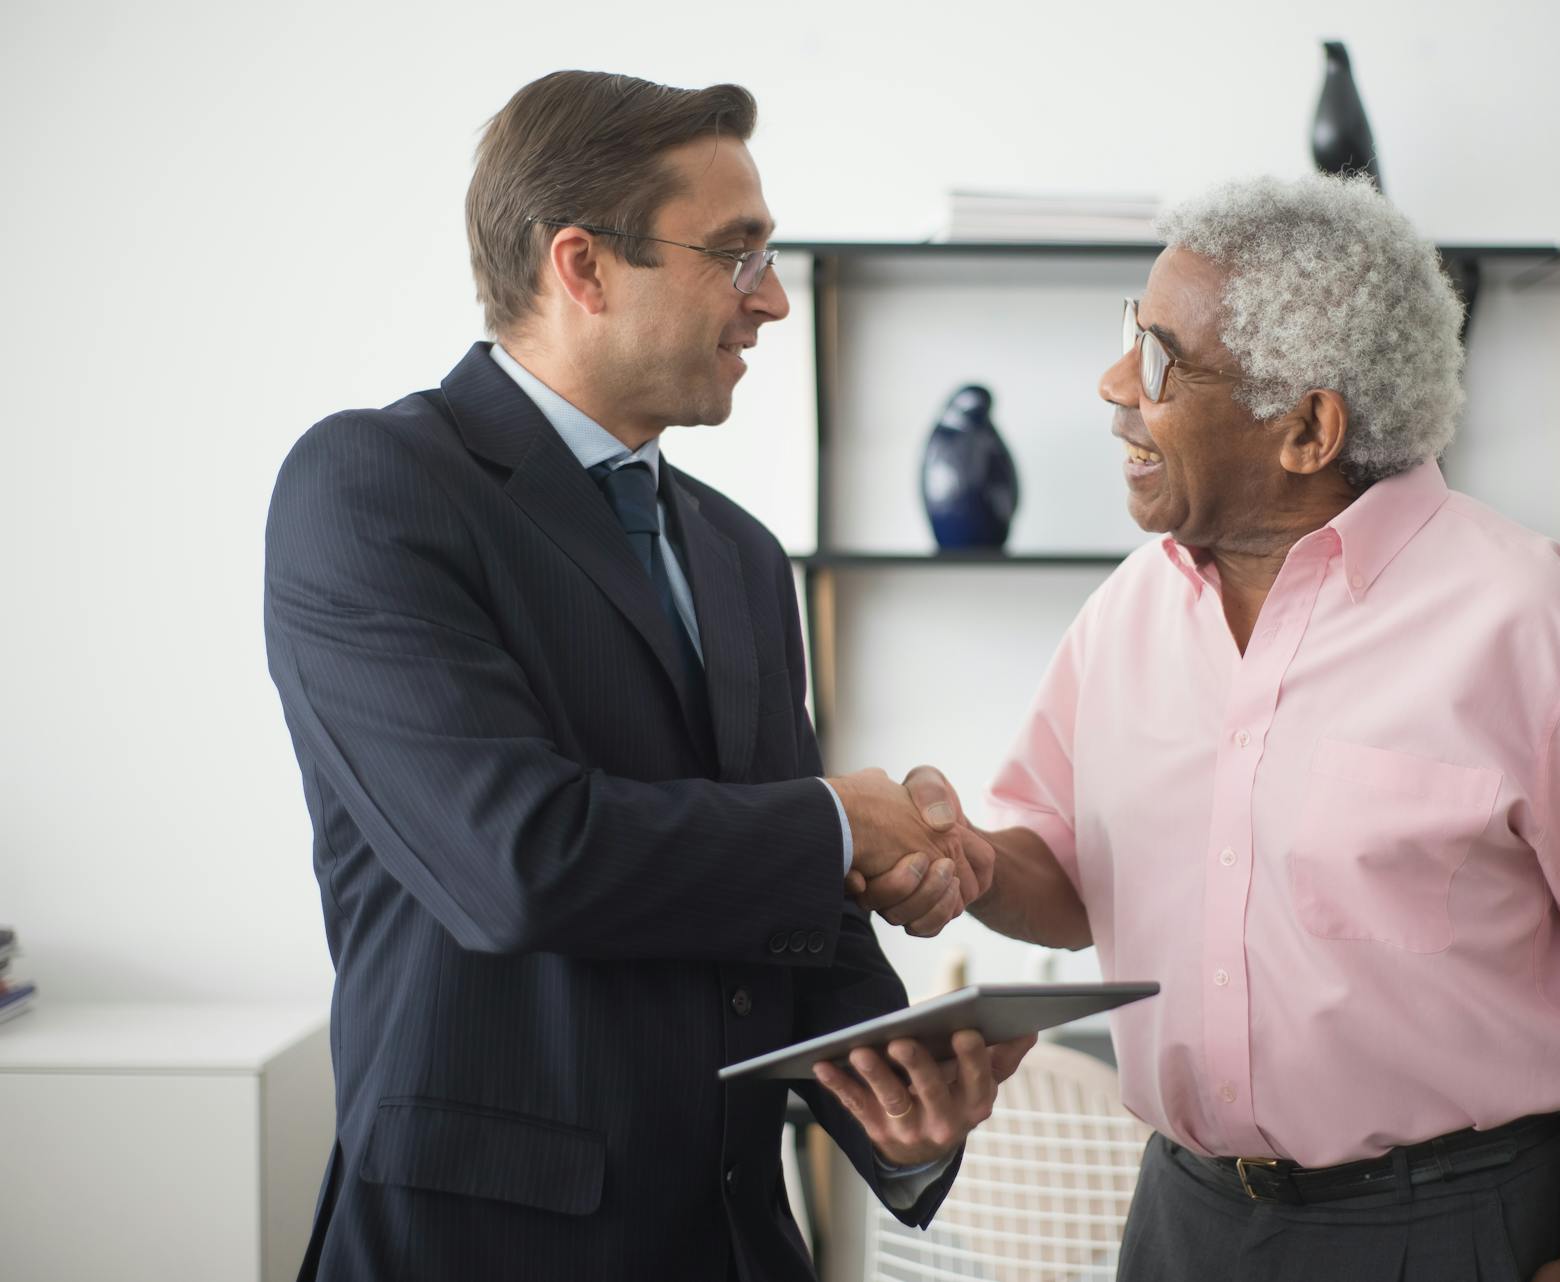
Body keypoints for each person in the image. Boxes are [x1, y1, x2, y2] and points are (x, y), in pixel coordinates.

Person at [893, 174, 1560, 1282]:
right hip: (1183, 1217)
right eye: (1128, 336)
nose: (1114, 388)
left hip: (1450, 1226)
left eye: (1159, 359)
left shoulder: (1534, 622)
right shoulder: (1128, 609)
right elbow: (1060, 876)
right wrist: (964, 860)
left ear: (1307, 428)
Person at [264, 71, 1021, 1282]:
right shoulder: (370, 487)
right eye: (735, 254)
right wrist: (839, 821)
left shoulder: (742, 555)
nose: (770, 299)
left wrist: (902, 1103)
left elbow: (794, 922)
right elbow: (519, 861)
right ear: (583, 266)